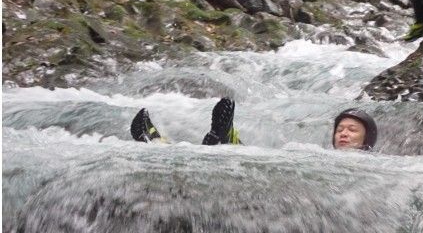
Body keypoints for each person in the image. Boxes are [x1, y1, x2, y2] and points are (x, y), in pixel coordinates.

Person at [130, 98, 378, 151]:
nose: (343, 133)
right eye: (340, 129)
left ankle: (226, 139)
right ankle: (158, 144)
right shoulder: (317, 154)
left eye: (352, 130)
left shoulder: (370, 165)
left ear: (366, 140)